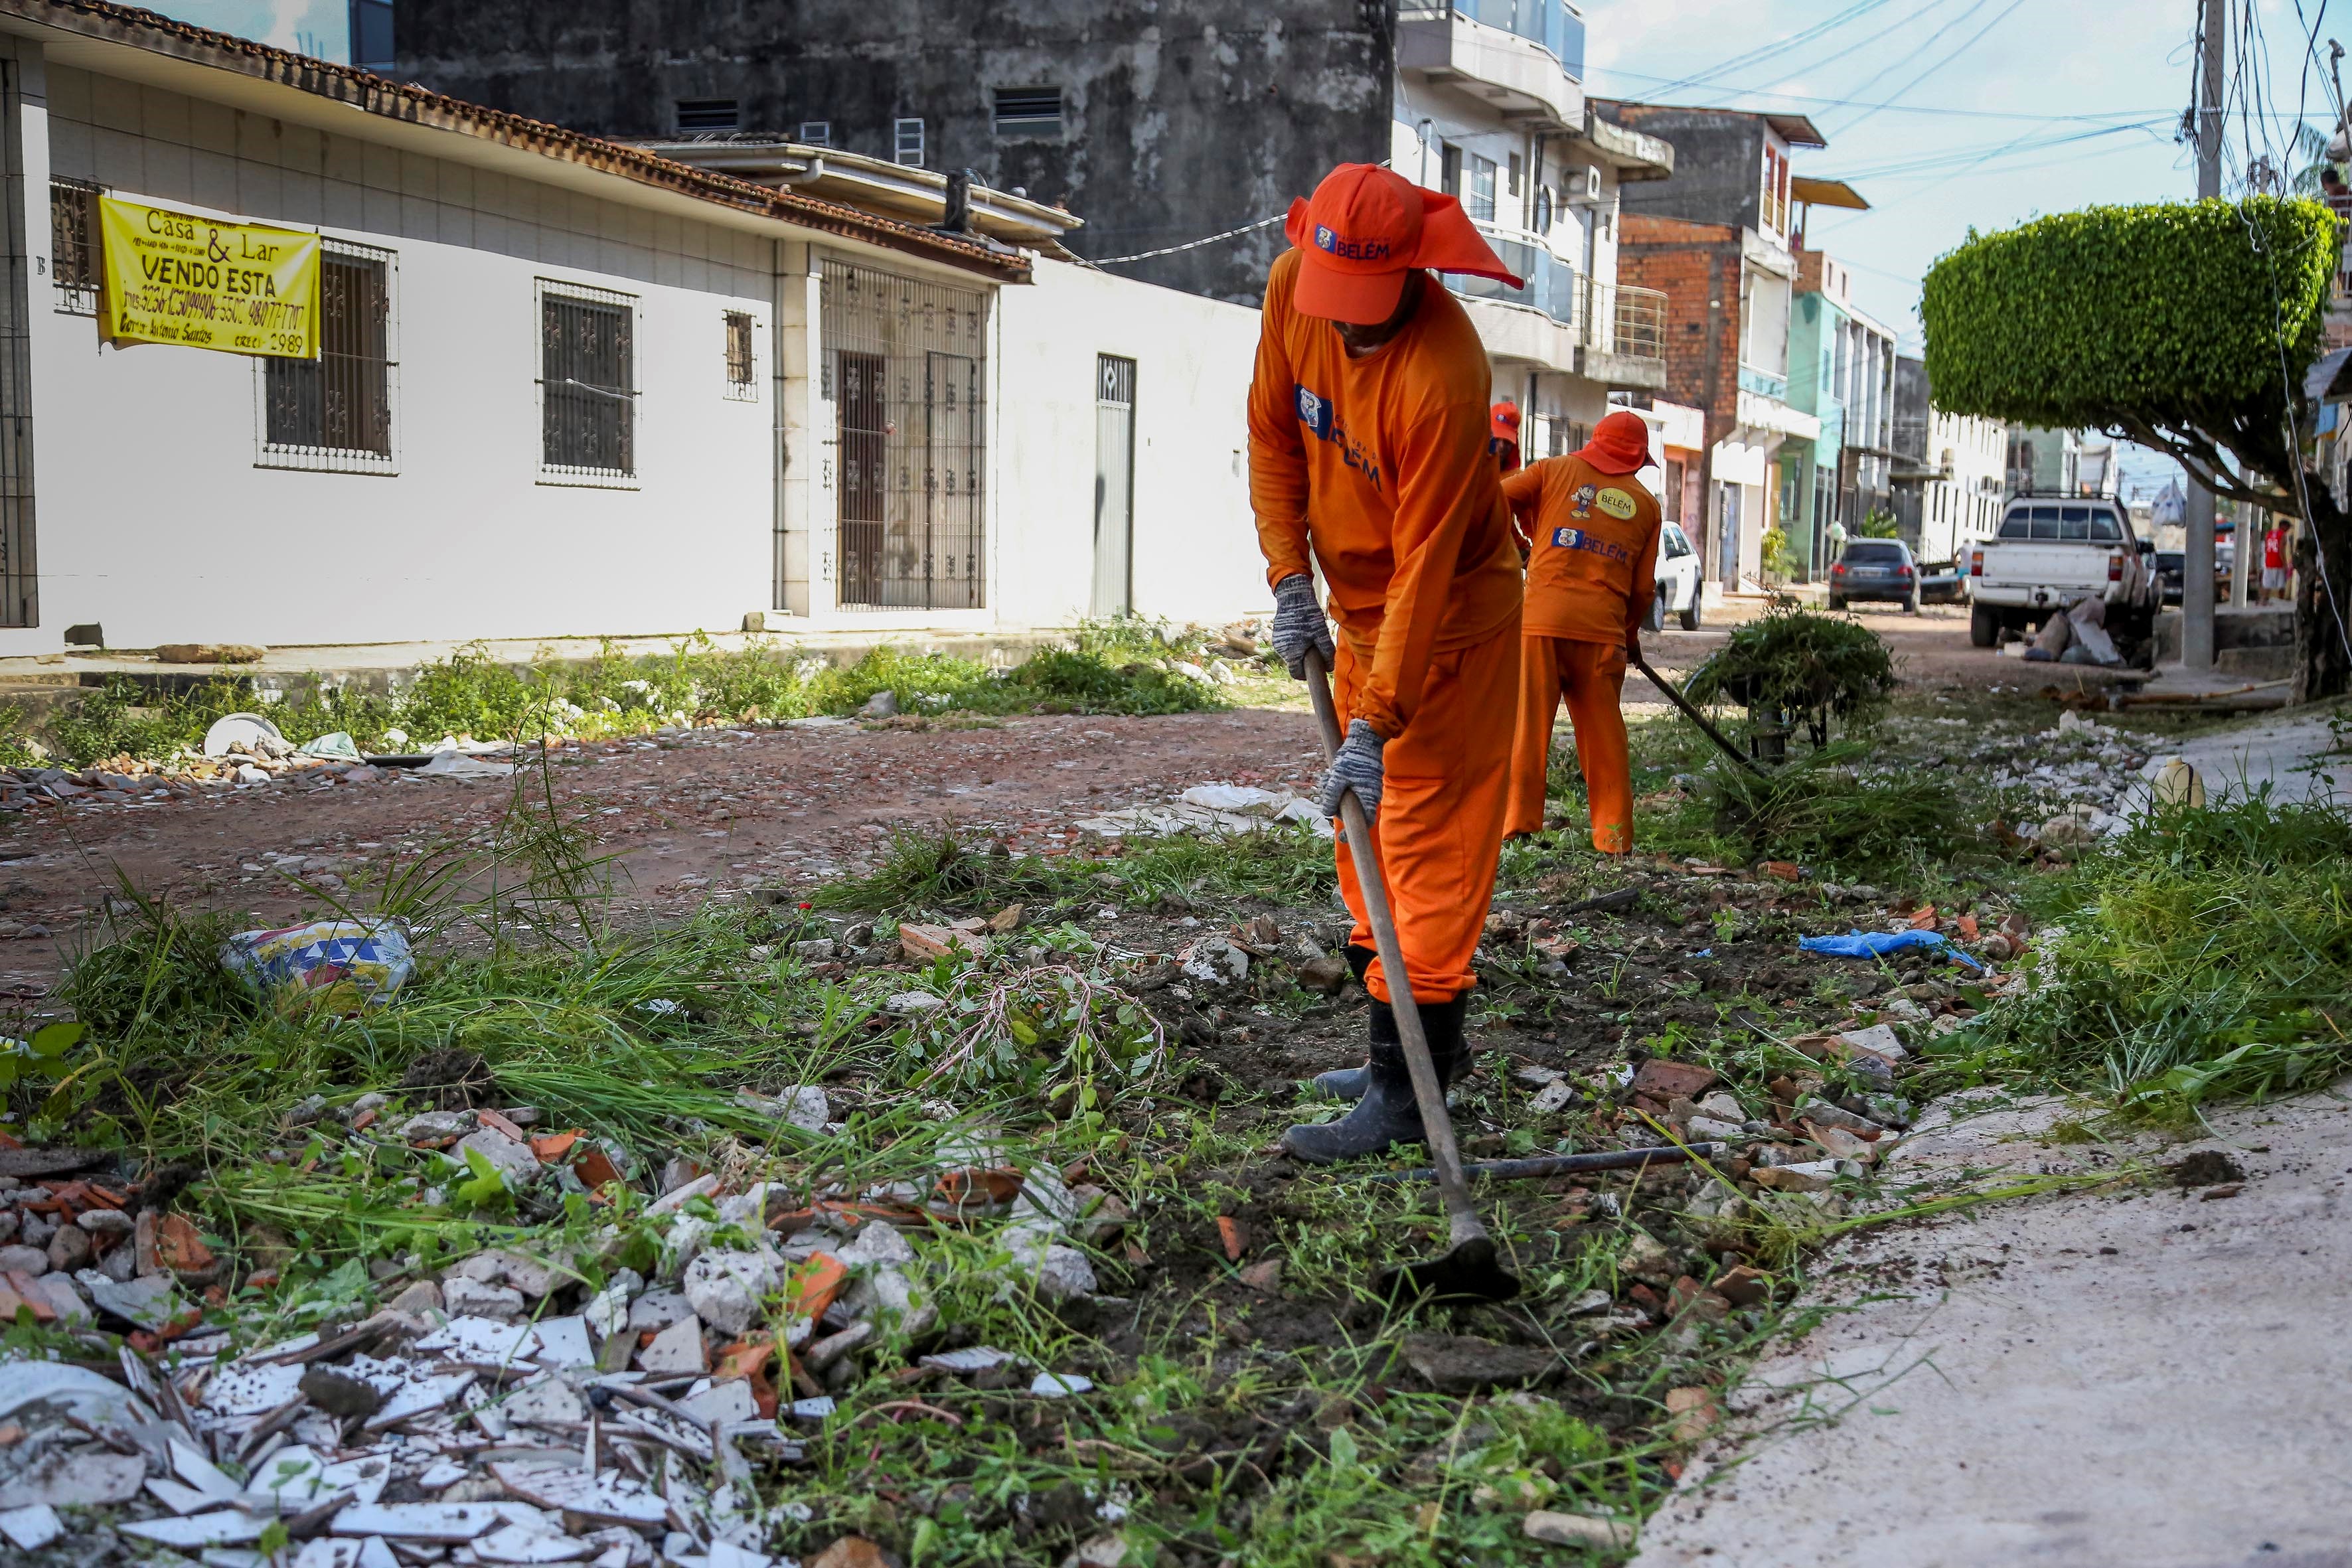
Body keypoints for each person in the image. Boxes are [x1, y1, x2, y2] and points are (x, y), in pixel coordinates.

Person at [1248, 162, 1526, 1163]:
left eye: (1368, 311)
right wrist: (1288, 577)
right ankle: (1385, 1058)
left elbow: (1425, 568)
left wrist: (1373, 722)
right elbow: (1273, 437)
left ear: (1412, 271)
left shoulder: (1442, 372)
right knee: (1360, 834)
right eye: (1338, 306)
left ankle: (1410, 1099)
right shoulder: (1293, 289)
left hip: (1450, 624)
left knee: (1429, 858)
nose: (1350, 329)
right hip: (1360, 613)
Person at [1500, 410, 1662, 851]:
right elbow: (1643, 590)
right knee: (1604, 739)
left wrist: (1518, 547)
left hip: (1541, 625)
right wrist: (1627, 637)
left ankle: (1517, 825)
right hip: (1601, 634)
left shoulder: (1552, 471)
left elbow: (1491, 499)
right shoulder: (1647, 506)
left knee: (1527, 727)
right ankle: (1614, 838)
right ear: (1638, 458)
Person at [2262, 518, 2291, 603]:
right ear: (2283, 526)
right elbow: (2281, 551)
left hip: (2269, 562)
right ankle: (2281, 602)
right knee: (2282, 585)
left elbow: (2266, 548)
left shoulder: (2270, 533)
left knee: (2267, 584)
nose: (2289, 529)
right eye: (2288, 527)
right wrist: (2285, 565)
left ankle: (2265, 600)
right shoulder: (2283, 535)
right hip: (2278, 563)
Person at [1489, 400, 1523, 475]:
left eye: (1508, 442)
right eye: (1496, 439)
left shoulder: (1517, 480)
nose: (1502, 446)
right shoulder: (1469, 471)